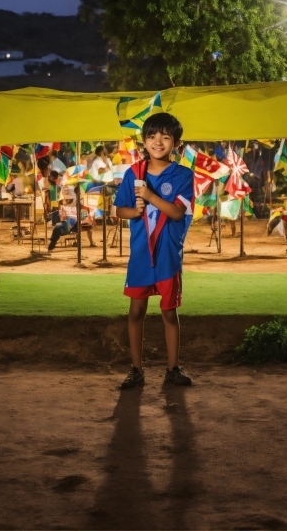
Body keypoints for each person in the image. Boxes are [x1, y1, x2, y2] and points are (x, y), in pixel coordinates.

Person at [114, 112, 194, 389]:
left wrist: (149, 197)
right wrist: (132, 210)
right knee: (136, 312)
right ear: (144, 141)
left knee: (169, 312)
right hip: (140, 255)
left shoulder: (183, 175)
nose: (158, 142)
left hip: (168, 255)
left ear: (176, 143)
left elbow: (176, 213)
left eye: (165, 136)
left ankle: (172, 369)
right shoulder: (132, 173)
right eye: (151, 136)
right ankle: (136, 369)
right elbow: (119, 210)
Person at [45, 185, 95, 251]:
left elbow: (83, 217)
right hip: (67, 224)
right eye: (66, 199)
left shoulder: (81, 206)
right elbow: (60, 212)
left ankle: (53, 243)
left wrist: (81, 219)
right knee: (57, 227)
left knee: (61, 225)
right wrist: (49, 216)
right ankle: (52, 243)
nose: (66, 200)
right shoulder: (66, 205)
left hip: (74, 224)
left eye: (68, 199)